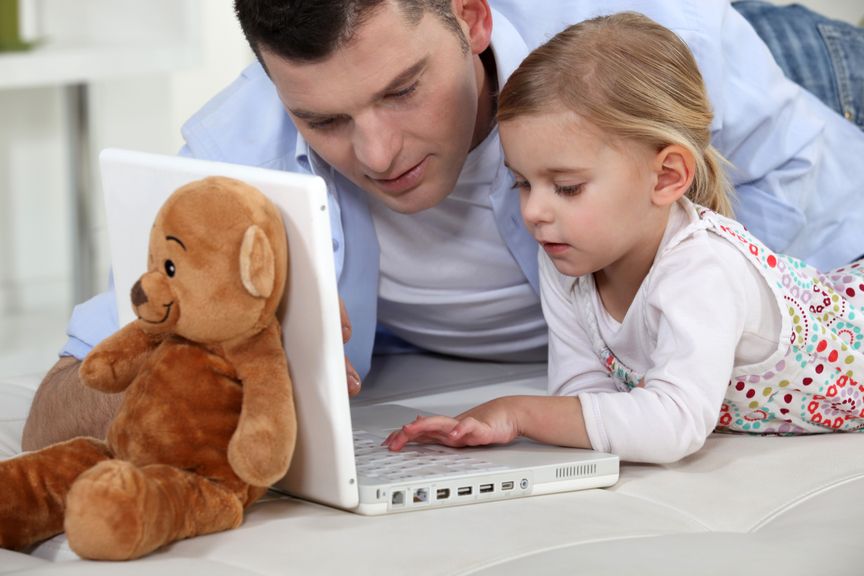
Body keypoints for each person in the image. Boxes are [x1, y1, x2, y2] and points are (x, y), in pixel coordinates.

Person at [22, 0, 864, 451]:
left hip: (803, 68)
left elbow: (834, 218)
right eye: (325, 120)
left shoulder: (658, 33)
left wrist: (690, 310)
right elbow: (62, 400)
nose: (379, 153)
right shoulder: (241, 152)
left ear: (471, 17)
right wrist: (230, 355)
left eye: (401, 90)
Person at [384, 11, 864, 463]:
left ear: (666, 177)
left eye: (567, 187)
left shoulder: (702, 270)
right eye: (522, 183)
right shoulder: (565, 260)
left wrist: (519, 412)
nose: (533, 211)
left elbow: (676, 425)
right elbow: (584, 396)